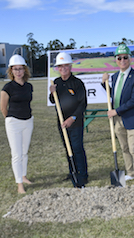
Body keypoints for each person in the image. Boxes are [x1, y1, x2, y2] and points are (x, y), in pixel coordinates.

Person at [102, 44, 134, 187]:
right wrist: (104, 83)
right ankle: (130, 172)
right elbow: (113, 94)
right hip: (118, 120)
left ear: (130, 59)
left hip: (131, 118)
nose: (122, 60)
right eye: (119, 58)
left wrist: (116, 111)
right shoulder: (114, 77)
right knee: (124, 148)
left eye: (125, 57)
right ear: (116, 60)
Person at [49, 52, 88, 188]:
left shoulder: (77, 83)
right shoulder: (57, 83)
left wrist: (73, 118)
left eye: (65, 66)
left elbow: (82, 104)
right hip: (62, 122)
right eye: (60, 67)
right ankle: (72, 172)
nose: (63, 69)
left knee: (77, 148)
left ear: (70, 66)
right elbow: (53, 100)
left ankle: (82, 175)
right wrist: (52, 92)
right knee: (68, 148)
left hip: (75, 122)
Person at [0, 54, 34, 194]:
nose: (18, 71)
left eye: (21, 69)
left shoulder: (29, 86)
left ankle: (24, 176)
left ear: (25, 70)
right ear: (11, 71)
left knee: (24, 152)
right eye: (15, 69)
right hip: (14, 122)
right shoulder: (7, 87)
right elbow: (3, 108)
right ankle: (19, 184)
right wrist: (11, 120)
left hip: (28, 121)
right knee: (17, 154)